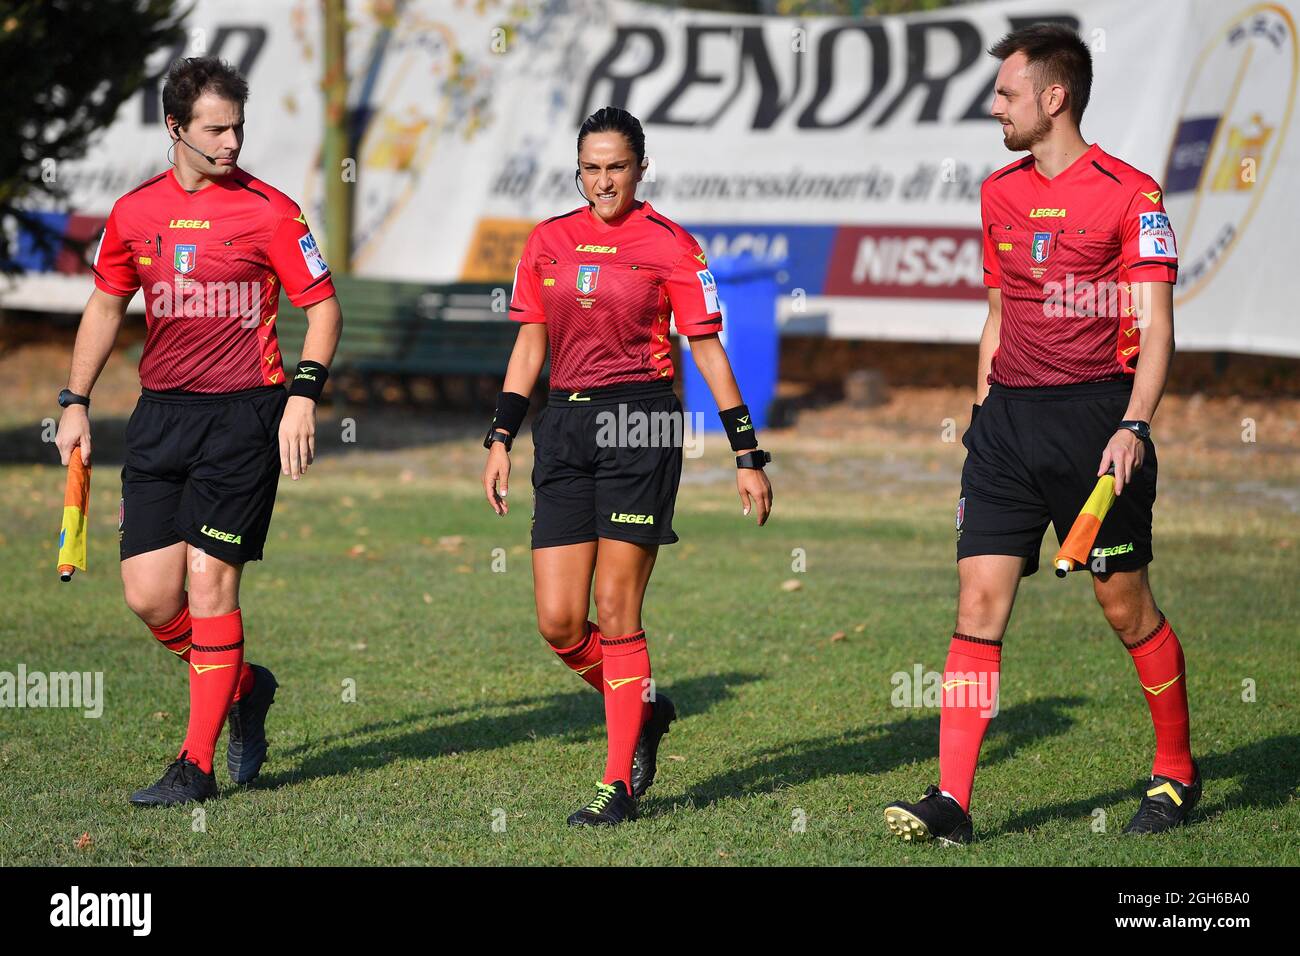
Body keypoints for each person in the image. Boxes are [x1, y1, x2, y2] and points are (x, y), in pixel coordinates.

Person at [884, 24, 1196, 843]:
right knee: (977, 601)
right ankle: (952, 801)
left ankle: (1176, 773)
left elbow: (1156, 326)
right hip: (1006, 428)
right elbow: (996, 315)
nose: (995, 109)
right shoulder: (998, 192)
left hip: (1098, 423)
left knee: (1124, 606)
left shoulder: (1133, 194)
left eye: (1006, 94)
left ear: (1053, 97)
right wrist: (982, 410)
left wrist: (1135, 424)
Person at [54, 56, 342, 806]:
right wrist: (75, 399)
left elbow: (323, 309)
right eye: (216, 128)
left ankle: (195, 763)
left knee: (212, 583)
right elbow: (105, 306)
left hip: (246, 413)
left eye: (239, 126)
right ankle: (246, 684)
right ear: (175, 128)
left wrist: (304, 397)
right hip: (160, 418)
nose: (232, 141)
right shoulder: (133, 213)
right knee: (151, 597)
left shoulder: (271, 211)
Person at [481, 107, 773, 827]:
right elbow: (529, 347)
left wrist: (746, 453)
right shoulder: (547, 242)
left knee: (616, 611)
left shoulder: (672, 245)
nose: (603, 180)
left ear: (640, 168)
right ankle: (642, 707)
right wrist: (500, 437)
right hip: (565, 426)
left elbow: (707, 353)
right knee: (557, 621)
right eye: (591, 167)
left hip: (640, 421)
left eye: (616, 166)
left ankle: (617, 787)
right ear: (576, 170)